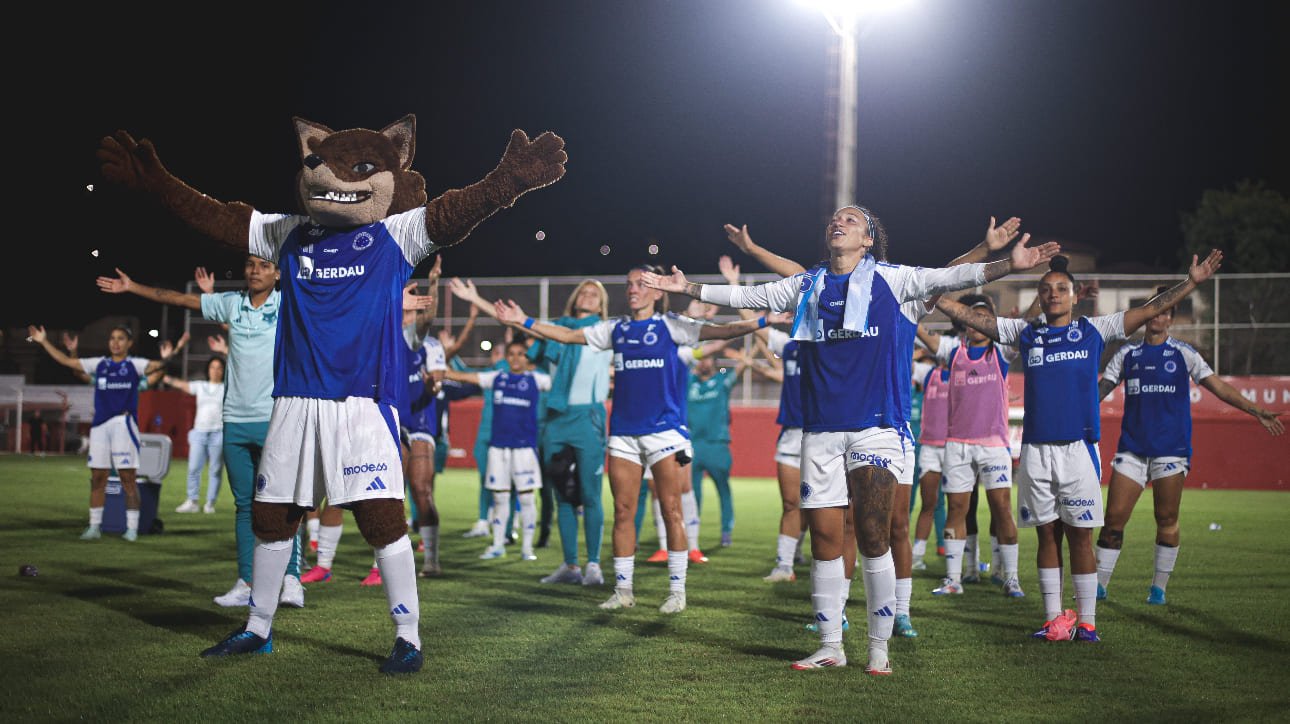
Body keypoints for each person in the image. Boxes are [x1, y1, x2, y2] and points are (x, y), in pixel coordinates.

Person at [645, 209, 1055, 673]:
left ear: (869, 238)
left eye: (852, 219)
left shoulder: (894, 279)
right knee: (823, 537)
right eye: (835, 218)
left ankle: (878, 648)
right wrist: (690, 289)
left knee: (874, 531)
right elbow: (749, 293)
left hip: (878, 426)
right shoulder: (809, 284)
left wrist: (1006, 264)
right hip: (819, 429)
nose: (839, 222)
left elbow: (954, 274)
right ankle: (830, 646)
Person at [935, 251, 1223, 643]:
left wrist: (1190, 283)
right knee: (1046, 535)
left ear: (1074, 297)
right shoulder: (1026, 333)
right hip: (1036, 451)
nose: (1054, 295)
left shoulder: (1094, 330)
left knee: (1081, 535)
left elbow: (1150, 309)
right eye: (1047, 289)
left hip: (1078, 450)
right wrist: (932, 291)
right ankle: (1054, 619)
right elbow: (973, 317)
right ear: (1041, 296)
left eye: (1061, 289)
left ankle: (1086, 622)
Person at [493, 265, 777, 614]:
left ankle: (676, 591)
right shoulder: (616, 328)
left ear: (657, 291)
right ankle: (623, 590)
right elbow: (567, 337)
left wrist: (762, 322)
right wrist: (524, 321)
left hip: (664, 432)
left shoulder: (670, 324)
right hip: (624, 434)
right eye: (628, 284)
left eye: (640, 284)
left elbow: (721, 330)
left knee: (671, 509)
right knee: (624, 511)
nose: (632, 289)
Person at [96, 261, 307, 607]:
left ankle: (292, 580)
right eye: (250, 265)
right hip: (234, 422)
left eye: (264, 266)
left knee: (283, 503)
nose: (254, 270)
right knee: (244, 507)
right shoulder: (230, 303)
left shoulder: (287, 302)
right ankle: (246, 581)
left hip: (274, 418)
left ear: (278, 274)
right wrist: (132, 287)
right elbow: (178, 299)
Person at [1095, 287, 1284, 605]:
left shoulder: (1183, 354)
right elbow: (1096, 394)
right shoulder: (1126, 356)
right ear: (1146, 315)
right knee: (1113, 519)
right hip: (1132, 451)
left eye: (1165, 310)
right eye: (1153, 309)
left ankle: (1158, 589)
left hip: (1171, 451)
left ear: (1171, 318)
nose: (1158, 315)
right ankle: (1098, 587)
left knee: (1166, 518)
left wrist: (1256, 410)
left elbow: (1220, 387)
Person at [452, 277, 613, 586]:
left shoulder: (603, 330)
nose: (589, 296)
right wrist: (478, 300)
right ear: (576, 298)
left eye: (596, 294)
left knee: (590, 495)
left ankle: (593, 565)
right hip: (555, 419)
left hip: (588, 418)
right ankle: (570, 566)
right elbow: (524, 326)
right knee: (562, 495)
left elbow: (549, 331)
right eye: (585, 292)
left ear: (602, 304)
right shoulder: (555, 329)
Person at [917, 295, 1024, 598]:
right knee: (957, 510)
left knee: (1002, 508)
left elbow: (1026, 323)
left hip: (993, 445)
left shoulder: (1002, 351)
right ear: (963, 322)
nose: (976, 322)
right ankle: (954, 579)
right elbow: (920, 333)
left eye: (983, 317)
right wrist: (911, 301)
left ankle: (1011, 577)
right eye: (971, 316)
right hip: (958, 446)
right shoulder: (953, 351)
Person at [27, 324, 167, 541]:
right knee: (97, 477)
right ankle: (94, 527)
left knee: (127, 478)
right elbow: (68, 363)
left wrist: (166, 358)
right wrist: (44, 341)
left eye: (121, 338)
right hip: (100, 426)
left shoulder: (135, 365)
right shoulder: (99, 364)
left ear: (129, 343)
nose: (115, 342)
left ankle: (131, 528)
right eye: (112, 338)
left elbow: (159, 368)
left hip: (124, 423)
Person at [446, 340, 553, 561]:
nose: (515, 358)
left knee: (526, 499)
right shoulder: (497, 377)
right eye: (511, 354)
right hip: (498, 449)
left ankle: (527, 549)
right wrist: (440, 370)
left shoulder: (537, 379)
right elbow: (466, 377)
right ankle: (497, 545)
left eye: (521, 354)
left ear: (527, 358)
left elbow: (564, 384)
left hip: (524, 449)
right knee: (500, 498)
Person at [167, 356, 227, 514]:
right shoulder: (201, 386)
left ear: (223, 371)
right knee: (193, 467)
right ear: (208, 370)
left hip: (218, 433)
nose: (215, 371)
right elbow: (182, 384)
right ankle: (192, 501)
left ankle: (210, 503)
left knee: (215, 470)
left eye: (219, 368)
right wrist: (164, 376)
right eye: (212, 367)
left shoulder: (226, 388)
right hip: (199, 432)